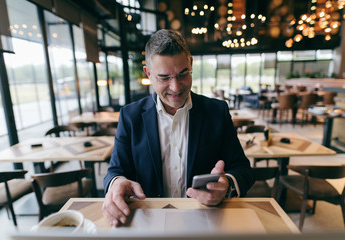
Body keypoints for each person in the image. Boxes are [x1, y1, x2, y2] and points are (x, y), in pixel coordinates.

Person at [102, 29, 254, 226]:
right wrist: (116, 183)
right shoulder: (130, 117)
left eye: (183, 74)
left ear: (190, 63)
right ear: (148, 73)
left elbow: (243, 170)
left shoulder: (217, 111)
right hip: (148, 223)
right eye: (164, 78)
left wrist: (227, 187)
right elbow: (115, 172)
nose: (175, 87)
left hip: (203, 222)